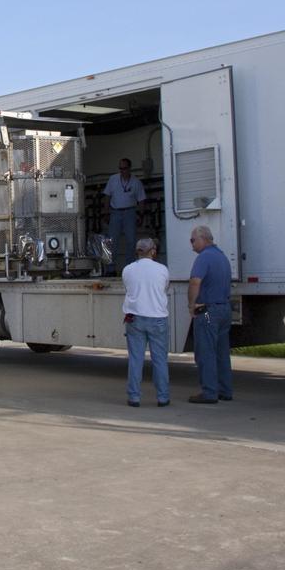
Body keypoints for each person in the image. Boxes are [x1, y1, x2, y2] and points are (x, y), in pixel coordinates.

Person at [121, 237, 171, 407]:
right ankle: (163, 397)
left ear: (137, 251)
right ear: (153, 251)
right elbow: (164, 288)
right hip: (157, 318)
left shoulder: (127, 270)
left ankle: (134, 397)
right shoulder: (162, 269)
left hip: (134, 318)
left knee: (135, 359)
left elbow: (127, 289)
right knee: (160, 360)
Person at [186, 225, 232, 404]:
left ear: (203, 238)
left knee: (205, 351)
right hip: (224, 310)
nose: (191, 245)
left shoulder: (203, 258)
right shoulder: (222, 257)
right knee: (221, 351)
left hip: (207, 312)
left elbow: (195, 282)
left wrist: (191, 305)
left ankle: (209, 392)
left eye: (193, 240)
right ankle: (225, 390)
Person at [103, 158, 147, 274]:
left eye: (124, 168)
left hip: (130, 212)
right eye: (120, 168)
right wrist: (106, 212)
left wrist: (140, 215)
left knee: (131, 241)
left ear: (129, 168)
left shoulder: (136, 182)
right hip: (115, 212)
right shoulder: (113, 179)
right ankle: (110, 269)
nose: (122, 171)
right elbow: (107, 196)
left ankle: (130, 269)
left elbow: (141, 200)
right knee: (111, 241)